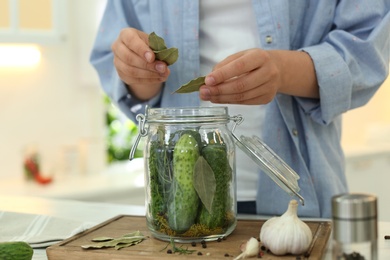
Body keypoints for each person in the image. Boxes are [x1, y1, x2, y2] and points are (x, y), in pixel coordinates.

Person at [90, 0, 390, 218]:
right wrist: (138, 71)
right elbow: (122, 68)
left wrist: (283, 71)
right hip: (178, 202)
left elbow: (368, 50)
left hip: (301, 198)